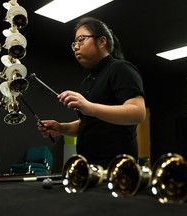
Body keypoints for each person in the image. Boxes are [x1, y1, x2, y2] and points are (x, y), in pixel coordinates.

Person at [37, 17, 146, 169]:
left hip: (117, 167)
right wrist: (61, 128)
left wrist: (89, 107)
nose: (76, 47)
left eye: (81, 40)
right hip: (90, 166)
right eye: (74, 43)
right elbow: (89, 123)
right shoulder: (89, 80)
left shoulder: (121, 69)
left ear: (102, 41)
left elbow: (138, 113)